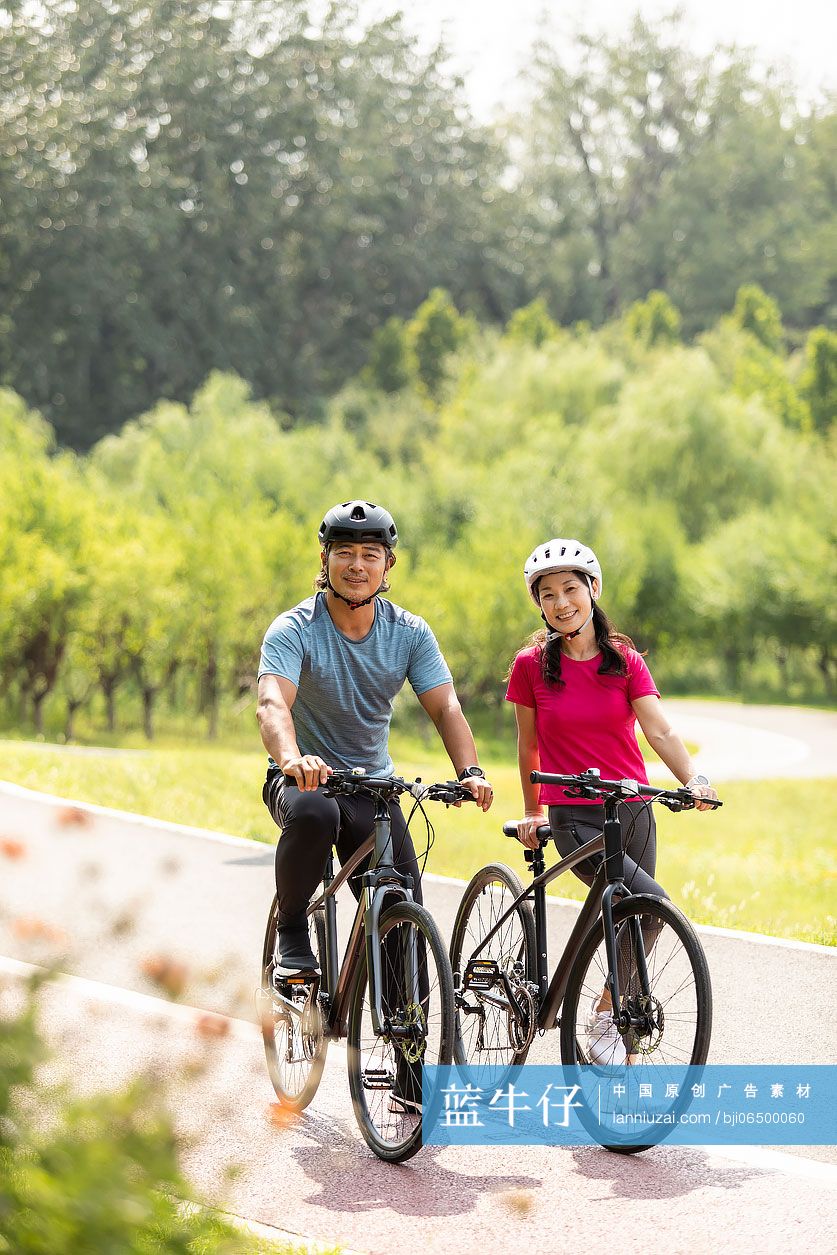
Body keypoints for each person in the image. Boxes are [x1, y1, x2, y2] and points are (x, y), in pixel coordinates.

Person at [257, 500, 493, 984]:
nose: (357, 565)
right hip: (307, 781)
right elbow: (271, 704)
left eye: (370, 553)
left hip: (373, 788)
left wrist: (469, 771)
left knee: (403, 907)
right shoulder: (294, 628)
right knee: (313, 811)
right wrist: (292, 759)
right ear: (324, 560)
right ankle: (293, 928)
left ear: (389, 564)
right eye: (344, 552)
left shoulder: (408, 632)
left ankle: (411, 1047)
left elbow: (446, 707)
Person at [506, 538, 718, 1066]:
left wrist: (693, 779)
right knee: (642, 903)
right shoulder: (531, 666)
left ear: (593, 590)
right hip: (574, 814)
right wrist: (534, 810)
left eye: (570, 589)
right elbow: (527, 746)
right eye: (548, 594)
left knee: (644, 914)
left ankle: (604, 1009)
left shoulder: (625, 661)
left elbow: (659, 730)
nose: (560, 603)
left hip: (633, 811)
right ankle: (603, 1019)